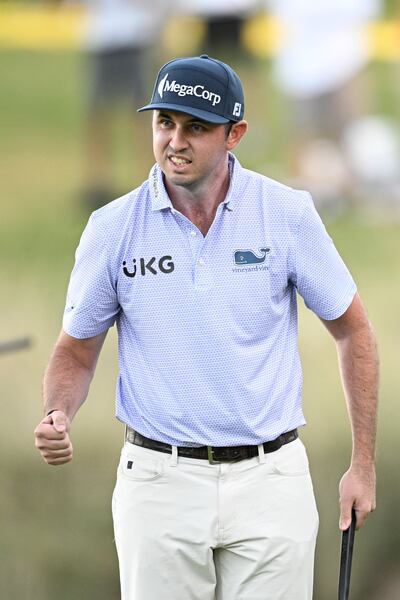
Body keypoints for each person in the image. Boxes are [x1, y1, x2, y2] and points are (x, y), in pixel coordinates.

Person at [34, 55, 378, 600]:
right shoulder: (112, 228)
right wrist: (59, 411)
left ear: (234, 133)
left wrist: (362, 465)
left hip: (271, 480)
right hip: (157, 480)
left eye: (196, 126)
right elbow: (75, 351)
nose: (175, 140)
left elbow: (353, 331)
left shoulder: (286, 214)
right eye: (164, 122)